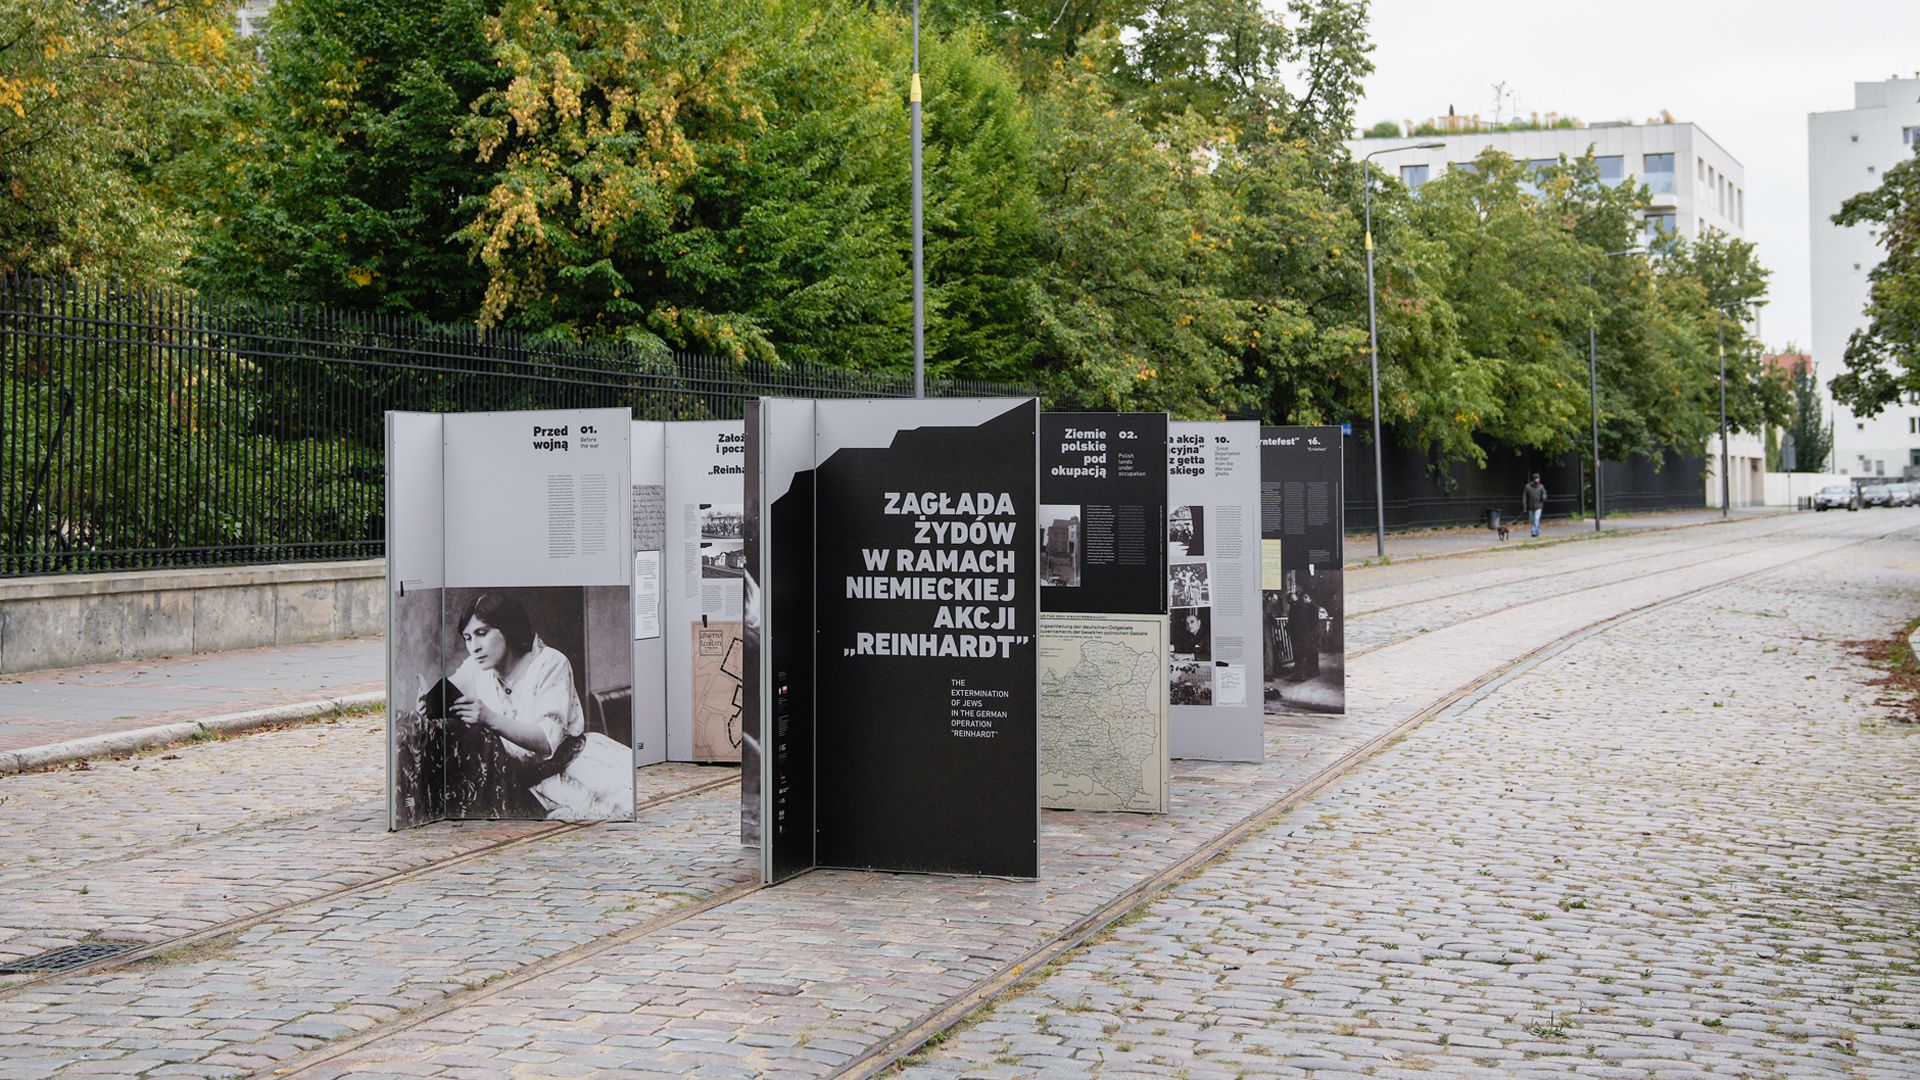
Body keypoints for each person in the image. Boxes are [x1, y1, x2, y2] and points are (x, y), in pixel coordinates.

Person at [435, 593, 631, 821]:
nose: (474, 647)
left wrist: (490, 718)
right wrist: (429, 703)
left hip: (577, 771)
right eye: (468, 638)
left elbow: (547, 741)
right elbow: (444, 693)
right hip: (523, 787)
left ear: (506, 627)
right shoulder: (475, 668)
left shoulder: (550, 663)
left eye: (482, 633)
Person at [1523, 473, 1548, 537]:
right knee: (1532, 520)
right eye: (1537, 478)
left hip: (1539, 506)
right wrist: (1525, 506)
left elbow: (1544, 493)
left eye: (1538, 478)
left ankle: (1533, 532)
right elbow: (1525, 497)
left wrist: (1544, 497)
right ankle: (1538, 530)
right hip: (1530, 506)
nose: (1538, 479)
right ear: (1533, 479)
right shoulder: (1527, 487)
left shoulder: (1541, 487)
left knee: (1536, 519)